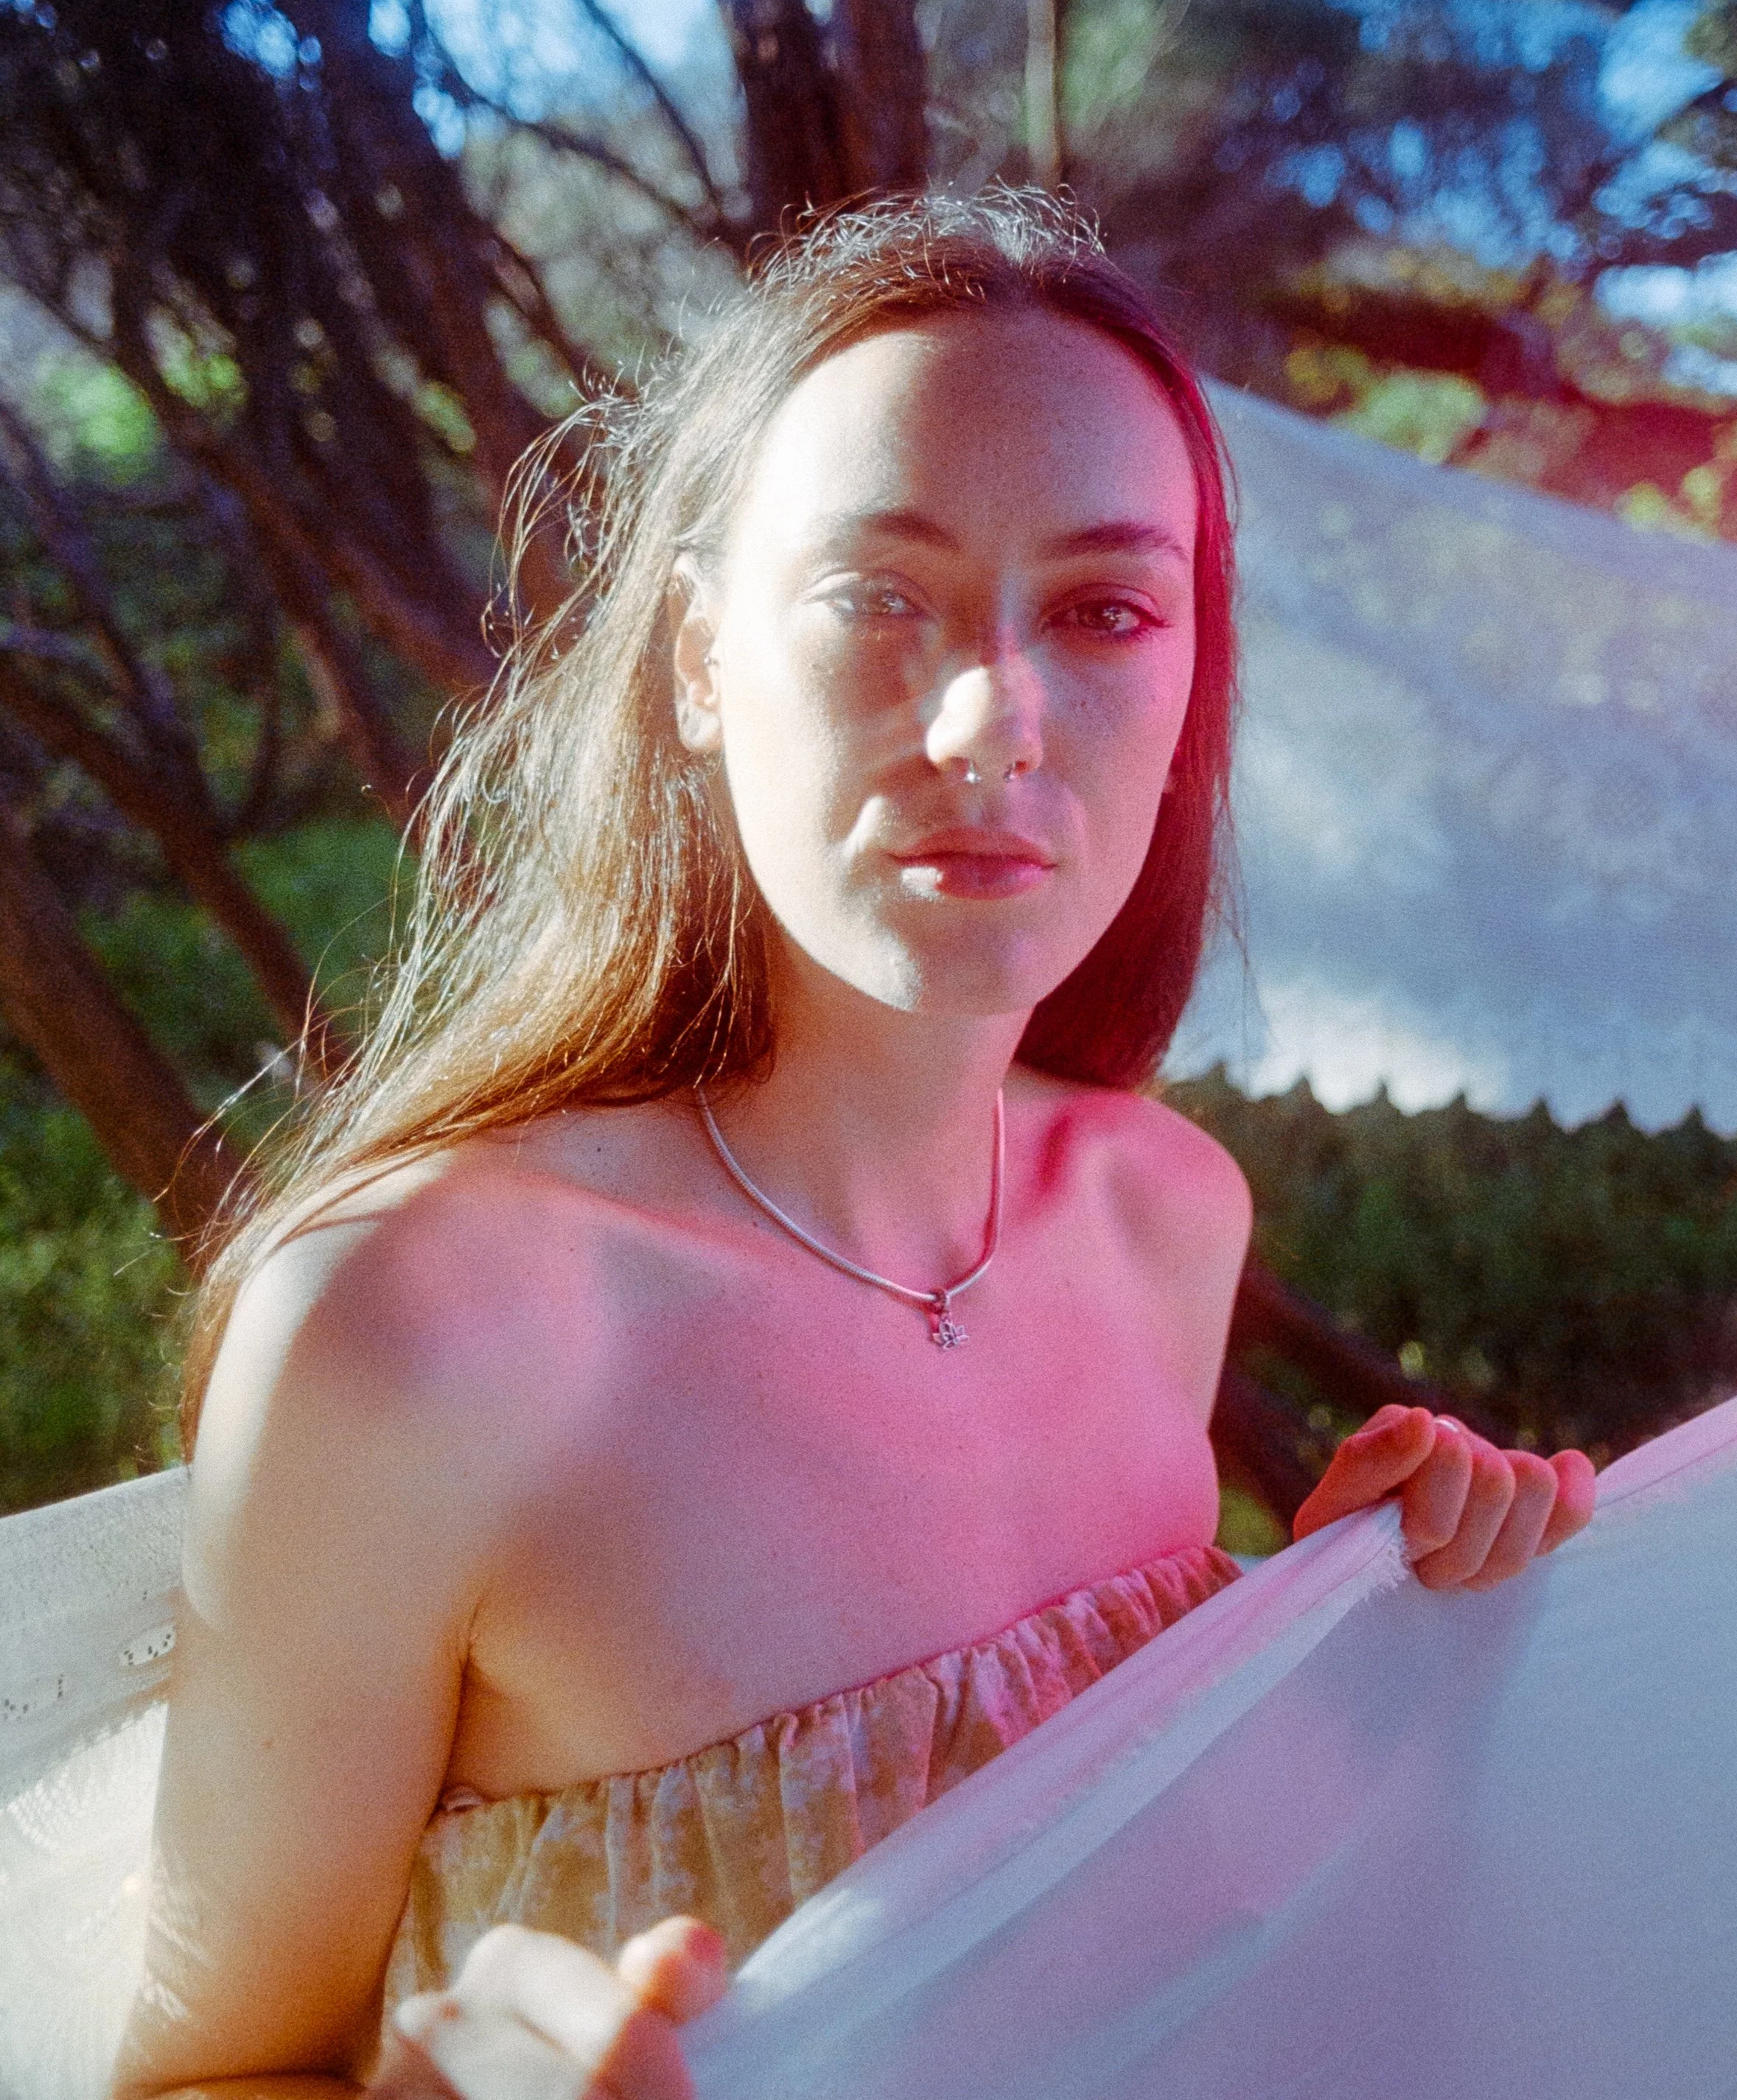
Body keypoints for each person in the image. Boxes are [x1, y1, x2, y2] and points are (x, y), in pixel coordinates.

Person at [111, 193, 1595, 2100]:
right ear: (701, 662)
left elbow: (1111, 1917)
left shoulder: (1158, 1215)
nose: (993, 715)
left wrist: (1336, 1631)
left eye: (1105, 609)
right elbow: (186, 2071)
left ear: (1188, 687)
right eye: (878, 596)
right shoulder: (423, 1327)